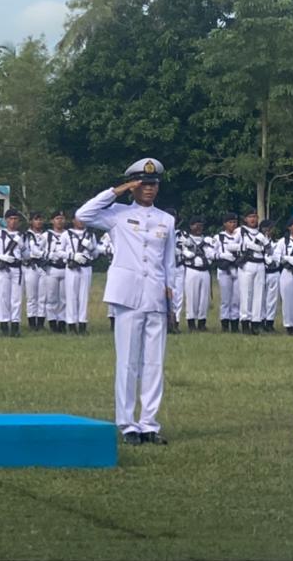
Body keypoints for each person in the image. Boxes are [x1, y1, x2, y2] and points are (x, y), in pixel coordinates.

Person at [76, 158, 176, 445]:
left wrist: (173, 303)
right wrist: (117, 190)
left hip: (155, 296)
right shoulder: (117, 214)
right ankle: (127, 423)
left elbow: (170, 264)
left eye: (153, 184)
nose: (149, 189)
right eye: (143, 184)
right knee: (128, 362)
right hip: (127, 296)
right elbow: (83, 213)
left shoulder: (166, 220)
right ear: (134, 186)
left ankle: (149, 424)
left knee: (154, 363)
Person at [61, 216, 97, 334]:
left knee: (84, 297)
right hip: (72, 267)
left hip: (86, 267)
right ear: (73, 220)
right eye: (78, 219)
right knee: (71, 296)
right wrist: (72, 256)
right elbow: (59, 252)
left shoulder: (90, 235)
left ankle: (82, 324)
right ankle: (71, 324)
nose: (81, 222)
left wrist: (91, 247)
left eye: (83, 219)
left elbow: (95, 254)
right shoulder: (66, 234)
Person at [236, 208, 269, 335]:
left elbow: (269, 249)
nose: (253, 219)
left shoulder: (261, 233)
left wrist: (264, 243)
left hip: (260, 264)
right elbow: (229, 245)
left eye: (255, 216)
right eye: (250, 216)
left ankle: (256, 322)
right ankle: (245, 322)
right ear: (245, 219)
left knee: (259, 295)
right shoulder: (240, 231)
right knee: (246, 294)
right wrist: (245, 246)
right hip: (247, 264)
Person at [181, 216, 216, 331]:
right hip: (192, 270)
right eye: (196, 225)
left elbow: (212, 253)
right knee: (191, 297)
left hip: (205, 270)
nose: (199, 227)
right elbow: (183, 252)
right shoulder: (186, 239)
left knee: (204, 298)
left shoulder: (206, 240)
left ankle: (202, 322)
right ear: (191, 226)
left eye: (201, 225)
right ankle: (191, 323)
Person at [0, 209, 25, 337]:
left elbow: (26, 254)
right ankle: (4, 324)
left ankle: (15, 325)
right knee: (3, 297)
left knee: (16, 298)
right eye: (11, 219)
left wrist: (23, 247)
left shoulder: (22, 235)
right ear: (6, 220)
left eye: (15, 219)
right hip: (4, 267)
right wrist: (0, 256)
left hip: (17, 268)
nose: (13, 221)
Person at [273, 217, 293, 334]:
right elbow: (276, 256)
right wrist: (287, 259)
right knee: (288, 300)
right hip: (288, 271)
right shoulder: (283, 241)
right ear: (289, 227)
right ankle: (289, 325)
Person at [214, 213, 242, 332]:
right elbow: (211, 253)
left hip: (237, 268)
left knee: (236, 299)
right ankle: (225, 323)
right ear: (225, 224)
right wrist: (222, 255)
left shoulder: (240, 236)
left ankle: (235, 323)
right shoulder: (219, 237)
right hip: (224, 270)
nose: (233, 224)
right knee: (226, 299)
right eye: (230, 222)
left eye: (234, 222)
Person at [22, 211, 48, 332]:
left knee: (43, 296)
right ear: (31, 221)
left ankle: (41, 322)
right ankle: (32, 323)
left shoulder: (46, 235)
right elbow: (24, 251)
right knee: (31, 296)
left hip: (43, 266)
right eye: (36, 219)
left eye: (40, 219)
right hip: (30, 266)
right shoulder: (26, 235)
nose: (39, 222)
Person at [43, 210, 68, 332]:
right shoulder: (46, 235)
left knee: (64, 297)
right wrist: (48, 255)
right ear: (52, 221)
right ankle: (52, 321)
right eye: (57, 218)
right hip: (52, 268)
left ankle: (62, 321)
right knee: (51, 296)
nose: (60, 221)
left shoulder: (68, 234)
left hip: (66, 268)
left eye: (62, 218)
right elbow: (38, 250)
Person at [260, 219, 280, 333]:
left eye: (270, 228)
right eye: (266, 228)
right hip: (262, 272)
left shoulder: (277, 242)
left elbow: (278, 256)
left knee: (272, 299)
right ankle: (261, 320)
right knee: (261, 298)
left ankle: (269, 322)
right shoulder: (258, 242)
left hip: (274, 271)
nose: (269, 231)